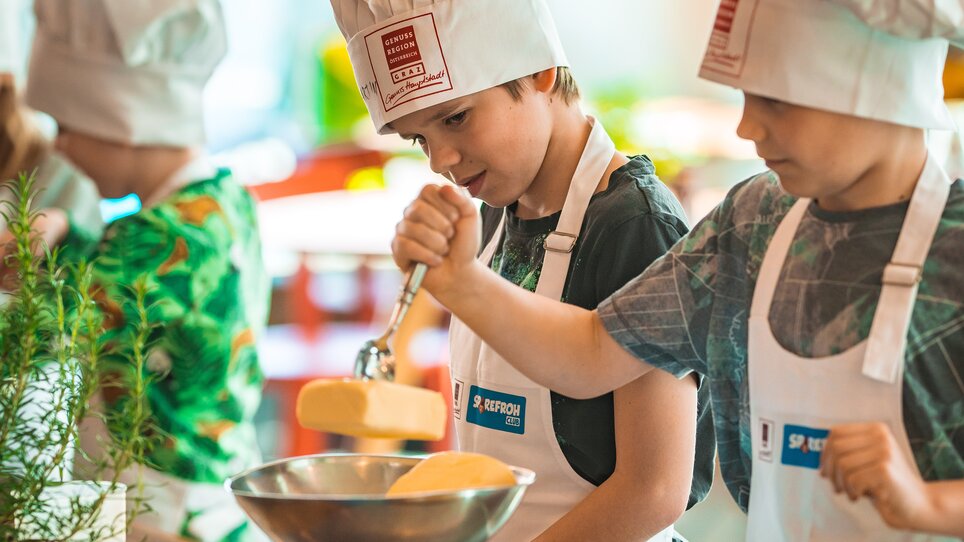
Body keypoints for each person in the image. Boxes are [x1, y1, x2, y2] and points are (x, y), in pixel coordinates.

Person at [391, 0, 964, 539]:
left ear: (880, 89)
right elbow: (592, 353)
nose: (747, 127)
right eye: (745, 96)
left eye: (778, 100)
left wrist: (925, 505)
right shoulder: (753, 223)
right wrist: (462, 282)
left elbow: (655, 487)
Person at [331, 1, 714, 540]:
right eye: (419, 138)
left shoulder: (633, 224)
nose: (440, 159)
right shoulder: (493, 214)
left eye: (455, 117)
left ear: (539, 71)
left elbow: (653, 490)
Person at [24, 1, 270, 540]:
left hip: (161, 512)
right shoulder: (220, 202)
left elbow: (45, 330)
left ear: (121, 117)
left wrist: (22, 267)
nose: (59, 145)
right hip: (212, 493)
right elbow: (136, 294)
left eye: (67, 124)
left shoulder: (160, 236)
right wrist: (67, 232)